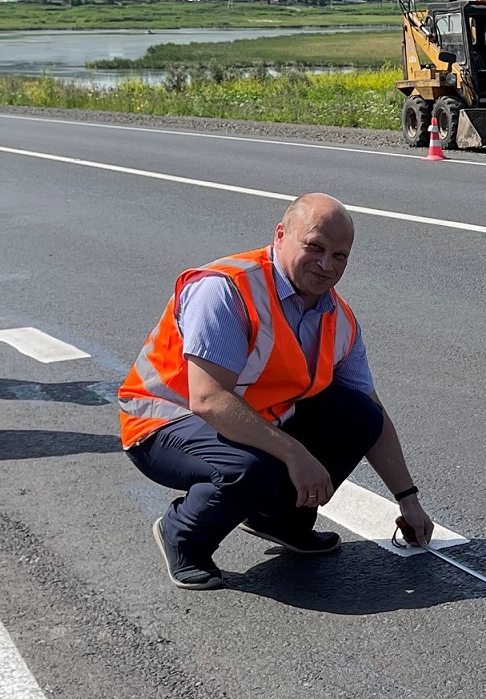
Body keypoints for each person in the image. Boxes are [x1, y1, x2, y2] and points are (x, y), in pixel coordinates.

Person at [118, 192, 437, 591]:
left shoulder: (338, 318)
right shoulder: (227, 289)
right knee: (255, 467)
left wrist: (407, 498)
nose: (326, 265)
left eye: (340, 255)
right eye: (315, 247)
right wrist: (294, 454)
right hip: (164, 422)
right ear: (281, 235)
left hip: (246, 420)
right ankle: (182, 535)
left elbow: (374, 415)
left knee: (359, 415)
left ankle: (279, 521)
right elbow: (208, 399)